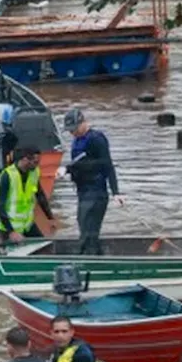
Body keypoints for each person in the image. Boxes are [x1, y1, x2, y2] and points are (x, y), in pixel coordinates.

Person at [63, 108, 123, 255]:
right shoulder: (77, 140)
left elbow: (107, 165)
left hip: (96, 192)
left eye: (74, 129)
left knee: (89, 229)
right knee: (84, 225)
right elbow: (79, 164)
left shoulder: (96, 139)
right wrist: (67, 171)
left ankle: (89, 257)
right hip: (83, 191)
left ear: (83, 123)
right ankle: (93, 255)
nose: (72, 133)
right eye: (70, 131)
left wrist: (116, 192)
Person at [0, 146, 55, 242]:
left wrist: (50, 218)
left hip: (26, 224)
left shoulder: (34, 172)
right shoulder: (7, 176)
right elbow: (0, 206)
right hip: (7, 226)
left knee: (43, 245)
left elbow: (40, 195)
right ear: (25, 159)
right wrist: (11, 232)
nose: (37, 165)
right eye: (35, 162)